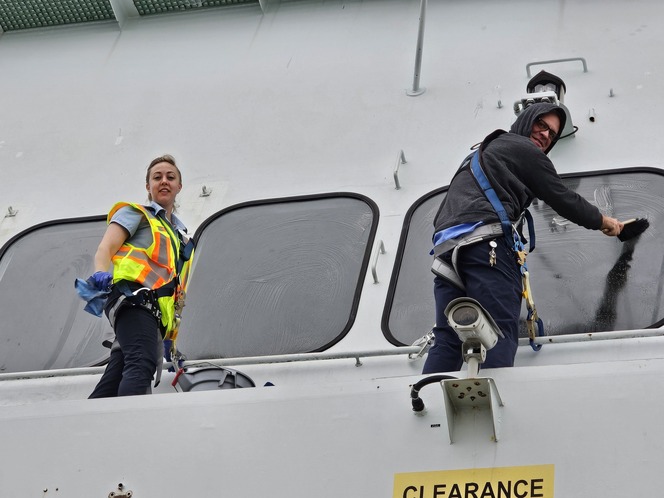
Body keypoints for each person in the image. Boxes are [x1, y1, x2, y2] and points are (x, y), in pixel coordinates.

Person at [422, 102, 624, 374]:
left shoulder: (478, 155)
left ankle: (429, 400)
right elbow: (562, 197)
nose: (545, 135)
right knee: (498, 329)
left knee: (447, 338)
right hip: (487, 248)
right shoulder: (522, 149)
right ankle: (496, 404)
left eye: (551, 134)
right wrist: (603, 221)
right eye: (541, 125)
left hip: (446, 253)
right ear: (526, 120)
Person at [87, 154, 195, 397]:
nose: (164, 181)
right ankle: (128, 426)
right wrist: (100, 273)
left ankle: (83, 425)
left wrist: (169, 338)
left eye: (170, 177)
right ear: (148, 186)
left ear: (179, 186)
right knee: (141, 363)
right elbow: (105, 249)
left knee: (116, 375)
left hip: (152, 315)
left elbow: (174, 290)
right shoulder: (137, 214)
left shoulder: (180, 237)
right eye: (157, 177)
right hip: (133, 300)